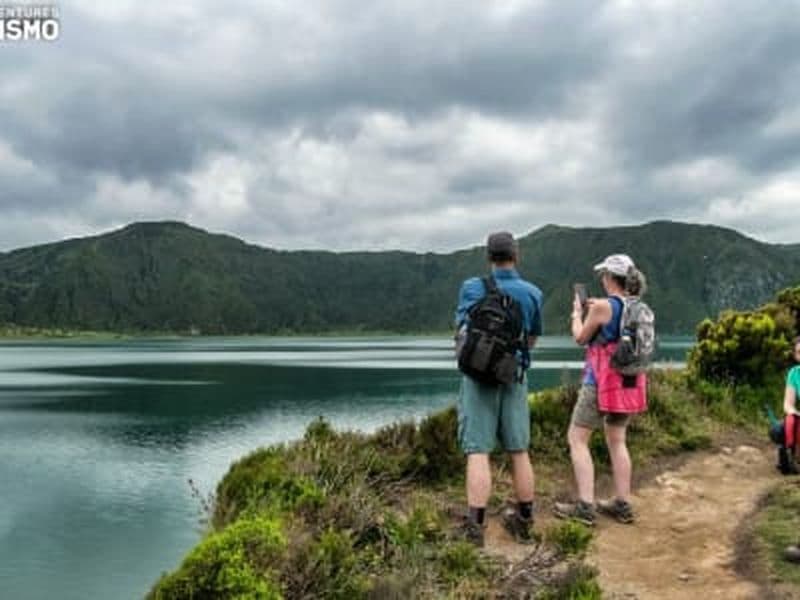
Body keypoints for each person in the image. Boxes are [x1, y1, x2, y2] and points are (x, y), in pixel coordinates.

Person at [454, 231, 543, 546]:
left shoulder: (472, 288)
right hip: (513, 376)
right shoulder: (532, 293)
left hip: (478, 378)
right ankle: (524, 521)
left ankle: (476, 528)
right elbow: (531, 339)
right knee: (519, 450)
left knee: (478, 450)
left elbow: (462, 330)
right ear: (516, 256)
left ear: (489, 257)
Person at [554, 254, 648, 526]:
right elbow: (614, 320)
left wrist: (576, 314)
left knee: (577, 438)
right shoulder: (636, 306)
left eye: (603, 276)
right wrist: (597, 307)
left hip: (601, 381)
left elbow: (581, 337)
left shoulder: (601, 308)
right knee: (618, 441)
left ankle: (585, 506)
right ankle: (622, 503)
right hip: (630, 381)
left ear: (609, 278)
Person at [780, 338, 800, 562]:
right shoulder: (794, 373)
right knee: (781, 427)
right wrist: (793, 413)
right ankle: (788, 455)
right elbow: (788, 403)